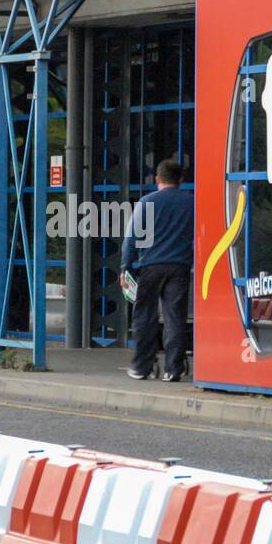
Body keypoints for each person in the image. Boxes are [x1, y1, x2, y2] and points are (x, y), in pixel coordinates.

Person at [122, 158, 194, 382]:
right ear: (181, 179)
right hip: (180, 266)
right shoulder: (192, 202)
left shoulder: (147, 202)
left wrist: (126, 268)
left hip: (150, 266)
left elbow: (132, 238)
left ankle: (142, 366)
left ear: (157, 179)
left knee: (145, 316)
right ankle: (173, 368)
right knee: (175, 317)